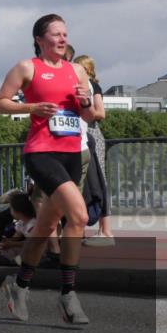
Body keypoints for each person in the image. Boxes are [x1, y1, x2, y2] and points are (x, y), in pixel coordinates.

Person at [0, 13, 97, 325]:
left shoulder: (77, 70)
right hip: (41, 153)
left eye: (65, 33)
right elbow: (0, 103)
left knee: (45, 227)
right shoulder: (27, 67)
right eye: (56, 34)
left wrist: (86, 102)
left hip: (72, 154)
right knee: (79, 216)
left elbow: (89, 117)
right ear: (40, 39)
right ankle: (68, 294)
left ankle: (20, 285)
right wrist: (32, 107)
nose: (63, 39)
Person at [74, 54, 113, 245]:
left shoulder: (93, 87)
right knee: (80, 181)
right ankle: (78, 229)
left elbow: (100, 113)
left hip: (92, 135)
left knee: (99, 179)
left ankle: (106, 230)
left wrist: (85, 110)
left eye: (78, 68)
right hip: (79, 135)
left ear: (87, 70)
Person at [0, 192, 38, 264]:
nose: (10, 211)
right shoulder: (21, 223)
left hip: (37, 249)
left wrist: (12, 244)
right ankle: (15, 260)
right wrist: (7, 241)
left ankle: (18, 261)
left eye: (11, 209)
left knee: (24, 252)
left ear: (18, 211)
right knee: (8, 250)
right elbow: (16, 236)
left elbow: (31, 243)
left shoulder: (32, 224)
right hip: (27, 248)